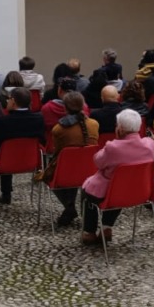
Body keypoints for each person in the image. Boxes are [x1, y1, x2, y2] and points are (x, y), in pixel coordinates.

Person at [80, 109, 154, 245]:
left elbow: (98, 161)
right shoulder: (149, 144)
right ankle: (106, 227)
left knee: (89, 193)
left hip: (112, 192)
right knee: (121, 187)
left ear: (120, 128)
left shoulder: (113, 147)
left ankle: (89, 232)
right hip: (139, 191)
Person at [42, 91, 101, 227]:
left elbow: (58, 154)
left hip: (66, 172)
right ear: (83, 106)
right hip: (90, 170)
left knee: (49, 175)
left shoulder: (59, 129)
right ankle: (72, 208)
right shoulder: (94, 124)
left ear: (65, 108)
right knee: (73, 167)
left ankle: (69, 207)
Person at [0, 87, 47, 205]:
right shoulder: (39, 119)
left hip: (4, 162)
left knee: (3, 146)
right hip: (31, 161)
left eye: (9, 99)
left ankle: (5, 193)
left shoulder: (2, 121)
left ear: (13, 101)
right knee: (8, 146)